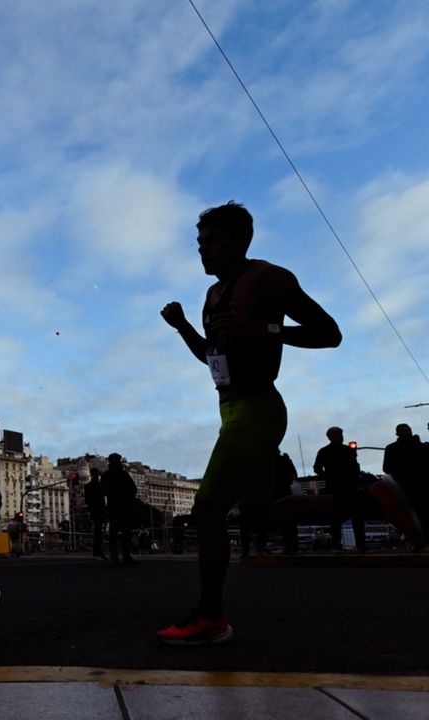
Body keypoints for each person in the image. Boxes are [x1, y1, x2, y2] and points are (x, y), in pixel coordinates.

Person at [158, 201, 342, 645]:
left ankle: (210, 616)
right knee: (260, 512)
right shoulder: (212, 295)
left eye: (212, 241)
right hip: (230, 406)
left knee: (206, 512)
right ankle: (372, 499)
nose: (202, 250)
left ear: (240, 240)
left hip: (258, 407)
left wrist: (267, 331)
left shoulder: (268, 278)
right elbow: (211, 357)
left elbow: (329, 333)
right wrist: (184, 327)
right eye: (199, 243)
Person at [314, 427, 365, 552]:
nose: (340, 437)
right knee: (342, 518)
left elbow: (317, 468)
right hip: (341, 487)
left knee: (344, 518)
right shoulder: (330, 451)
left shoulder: (329, 450)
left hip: (342, 486)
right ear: (330, 437)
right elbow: (317, 468)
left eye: (340, 434)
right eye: (337, 434)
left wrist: (327, 476)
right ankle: (349, 546)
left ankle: (346, 546)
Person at [384, 423, 427, 530]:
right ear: (398, 434)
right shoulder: (422, 447)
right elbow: (387, 468)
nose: (406, 433)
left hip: (411, 485)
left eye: (407, 430)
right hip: (411, 485)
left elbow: (386, 468)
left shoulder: (392, 448)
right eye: (404, 431)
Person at [100, 454, 137, 565]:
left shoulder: (107, 475)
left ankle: (116, 555)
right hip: (123, 506)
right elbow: (133, 489)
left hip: (115, 506)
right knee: (124, 532)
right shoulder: (123, 474)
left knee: (115, 532)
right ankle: (124, 555)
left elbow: (103, 490)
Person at [85, 467, 108, 560]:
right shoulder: (99, 485)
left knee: (98, 531)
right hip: (99, 510)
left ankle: (97, 552)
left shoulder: (88, 486)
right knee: (99, 532)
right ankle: (98, 552)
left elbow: (87, 501)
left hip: (95, 510)